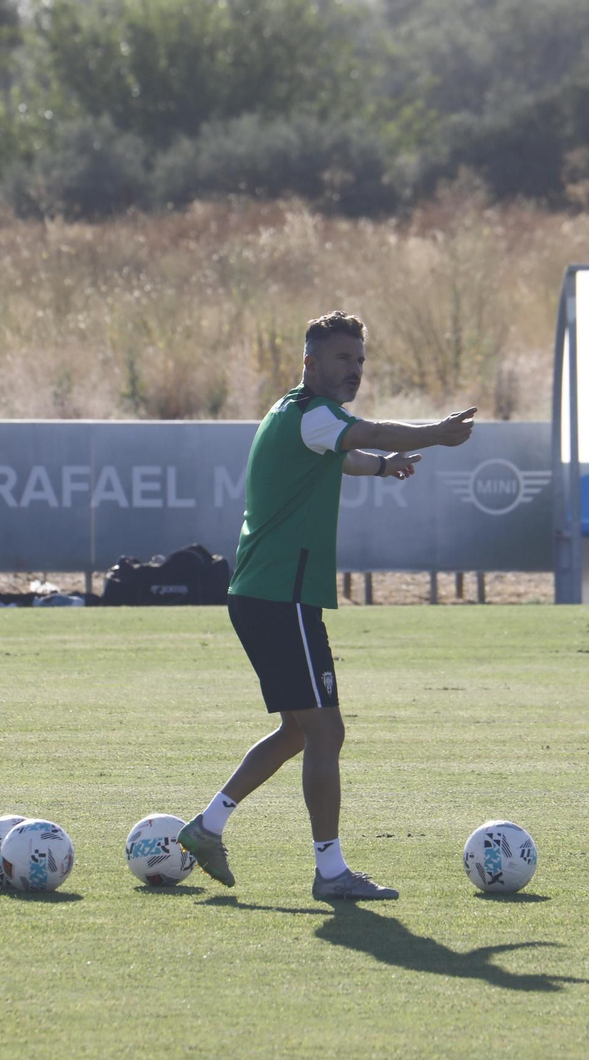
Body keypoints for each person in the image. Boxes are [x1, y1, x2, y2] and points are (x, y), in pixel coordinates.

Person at [177, 310, 476, 900]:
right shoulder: (313, 413)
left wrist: (384, 467)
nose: (354, 370)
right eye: (342, 359)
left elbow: (341, 455)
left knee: (298, 730)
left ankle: (207, 827)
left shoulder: (300, 417)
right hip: (278, 595)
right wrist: (432, 433)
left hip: (273, 595)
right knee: (325, 731)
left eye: (360, 360)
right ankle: (330, 872)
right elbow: (365, 434)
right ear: (309, 363)